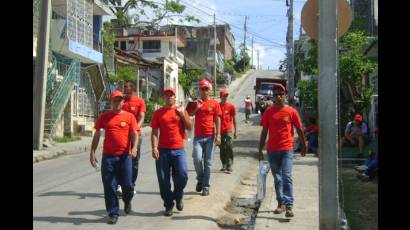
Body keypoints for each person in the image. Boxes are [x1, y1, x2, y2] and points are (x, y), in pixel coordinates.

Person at [89, 90, 139, 224]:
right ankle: (113, 213)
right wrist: (93, 152)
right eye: (115, 100)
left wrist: (134, 148)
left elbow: (135, 134)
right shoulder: (104, 117)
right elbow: (97, 134)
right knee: (109, 186)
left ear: (123, 102)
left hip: (125, 157)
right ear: (111, 102)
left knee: (128, 185)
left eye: (120, 100)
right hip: (108, 158)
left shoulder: (129, 117)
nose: (117, 103)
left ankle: (127, 199)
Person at [258, 84, 307, 218]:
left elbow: (299, 129)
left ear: (285, 95)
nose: (278, 97)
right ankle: (280, 204)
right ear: (273, 97)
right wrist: (260, 149)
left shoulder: (291, 111)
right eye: (276, 95)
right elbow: (264, 132)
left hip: (287, 149)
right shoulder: (268, 112)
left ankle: (289, 205)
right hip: (272, 150)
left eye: (281, 94)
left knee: (287, 176)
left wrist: (304, 146)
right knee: (277, 178)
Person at [151, 87, 192, 216]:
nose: (169, 97)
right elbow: (154, 132)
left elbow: (189, 127)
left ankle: (178, 195)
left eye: (171, 95)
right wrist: (154, 147)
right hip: (162, 151)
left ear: (175, 97)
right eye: (166, 95)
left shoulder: (181, 110)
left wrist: (181, 114)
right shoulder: (158, 113)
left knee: (182, 175)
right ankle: (168, 205)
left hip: (178, 149)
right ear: (164, 97)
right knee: (163, 180)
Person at [188, 79, 222, 196]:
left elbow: (217, 119)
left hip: (210, 137)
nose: (204, 91)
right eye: (202, 89)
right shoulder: (195, 103)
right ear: (199, 90)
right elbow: (189, 115)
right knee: (197, 159)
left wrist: (218, 135)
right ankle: (200, 179)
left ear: (210, 90)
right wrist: (197, 107)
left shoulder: (215, 104)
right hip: (198, 137)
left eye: (206, 89)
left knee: (208, 163)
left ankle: (205, 186)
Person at [116, 80, 146, 197]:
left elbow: (142, 117)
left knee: (134, 161)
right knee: (119, 160)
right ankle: (119, 185)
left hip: (135, 135)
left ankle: (131, 184)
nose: (125, 92)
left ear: (132, 90)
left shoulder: (139, 101)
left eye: (127, 90)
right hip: (122, 135)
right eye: (124, 89)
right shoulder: (122, 102)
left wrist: (135, 129)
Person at [218, 89, 237, 173]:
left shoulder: (231, 106)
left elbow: (234, 119)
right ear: (220, 97)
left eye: (226, 96)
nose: (225, 97)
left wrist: (236, 130)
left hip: (228, 130)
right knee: (222, 148)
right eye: (223, 96)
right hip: (219, 131)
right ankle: (224, 164)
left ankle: (229, 165)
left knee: (229, 146)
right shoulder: (217, 106)